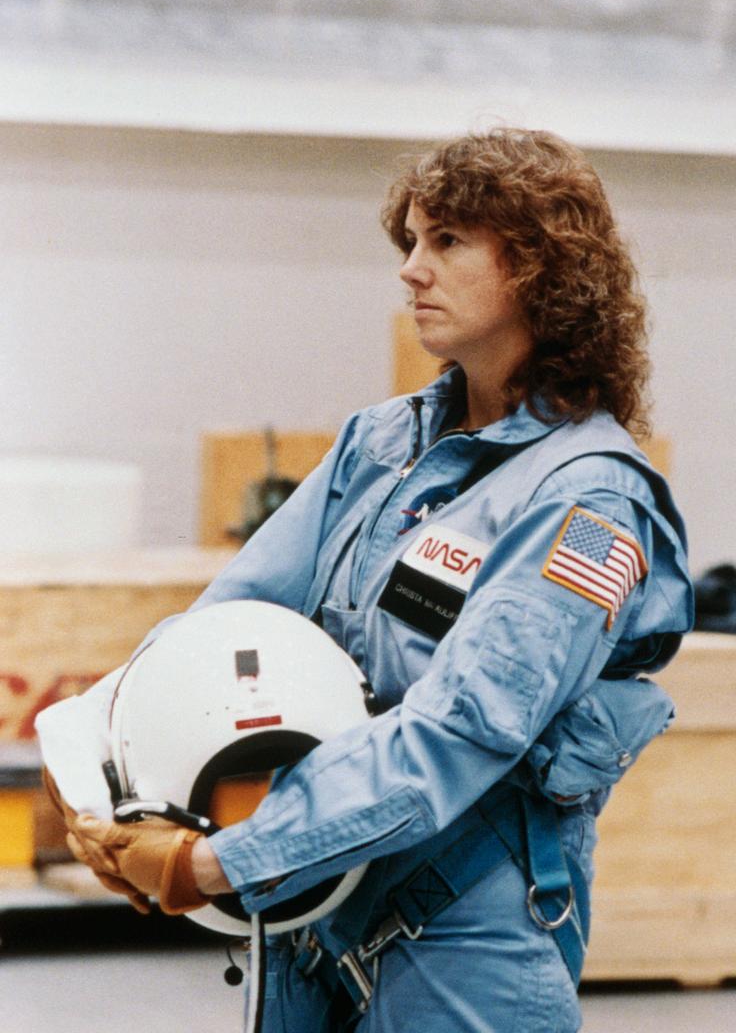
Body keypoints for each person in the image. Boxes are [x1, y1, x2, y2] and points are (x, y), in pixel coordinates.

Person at [61, 128, 693, 1033]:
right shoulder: (381, 444)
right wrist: (99, 756)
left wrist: (220, 865)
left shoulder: (587, 502)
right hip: (312, 912)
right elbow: (227, 623)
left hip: (462, 938)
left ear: (540, 272)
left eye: (446, 242)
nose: (411, 270)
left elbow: (461, 731)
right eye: (410, 242)